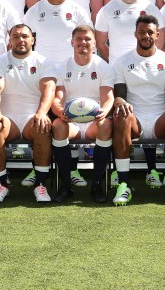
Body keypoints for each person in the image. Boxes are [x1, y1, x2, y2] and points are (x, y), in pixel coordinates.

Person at [110, 15, 165, 205]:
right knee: (121, 115)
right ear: (135, 33)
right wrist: (120, 102)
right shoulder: (122, 62)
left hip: (160, 120)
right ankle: (124, 185)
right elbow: (118, 96)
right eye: (142, 32)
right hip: (135, 121)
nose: (146, 36)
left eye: (150, 32)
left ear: (158, 35)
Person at [0, 24, 57, 203]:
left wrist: (41, 113)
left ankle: (40, 185)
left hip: (32, 116)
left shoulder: (43, 61)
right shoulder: (0, 61)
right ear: (9, 40)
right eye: (15, 36)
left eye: (25, 36)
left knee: (42, 125)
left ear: (33, 39)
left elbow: (49, 89)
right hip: (9, 118)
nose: (20, 40)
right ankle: (1, 185)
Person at [49, 26, 116, 203]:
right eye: (79, 39)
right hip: (71, 121)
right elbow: (57, 99)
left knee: (107, 125)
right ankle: (65, 185)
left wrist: (104, 111)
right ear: (72, 42)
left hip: (94, 120)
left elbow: (108, 97)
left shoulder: (104, 67)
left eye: (87, 39)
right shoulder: (62, 67)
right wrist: (60, 112)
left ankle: (96, 185)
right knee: (57, 126)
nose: (83, 42)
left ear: (94, 42)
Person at [24, 0, 93, 64]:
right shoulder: (34, 11)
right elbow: (27, 43)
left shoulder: (78, 11)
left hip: (70, 68)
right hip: (42, 68)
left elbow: (89, 41)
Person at [94, 0, 164, 62]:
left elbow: (159, 43)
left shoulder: (152, 9)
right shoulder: (106, 10)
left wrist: (145, 60)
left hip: (144, 68)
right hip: (117, 70)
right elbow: (100, 44)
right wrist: (114, 62)